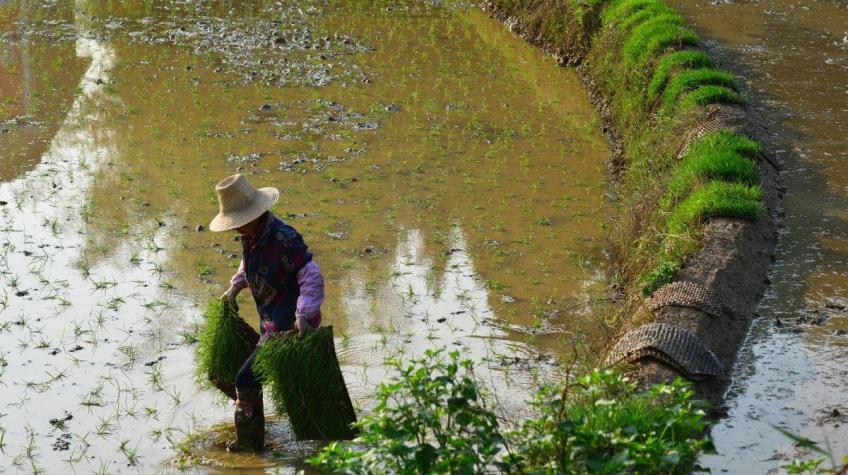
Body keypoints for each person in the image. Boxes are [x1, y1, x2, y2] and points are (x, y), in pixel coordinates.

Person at [209, 173, 324, 451]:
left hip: (289, 326)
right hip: (270, 323)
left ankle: (250, 446)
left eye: (238, 222)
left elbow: (311, 274)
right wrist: (234, 289)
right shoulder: (252, 238)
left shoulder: (283, 238)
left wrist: (303, 315)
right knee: (248, 375)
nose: (235, 229)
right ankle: (300, 434)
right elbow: (250, 266)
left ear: (254, 214)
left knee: (245, 378)